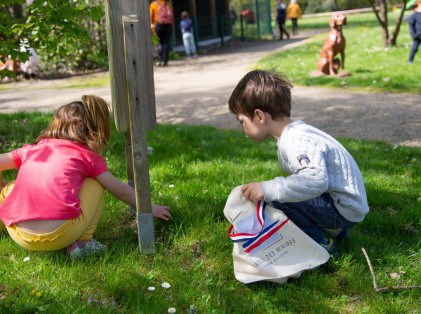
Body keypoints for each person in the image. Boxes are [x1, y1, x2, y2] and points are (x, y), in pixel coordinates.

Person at [0, 95, 171, 259]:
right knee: (96, 184)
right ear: (94, 131)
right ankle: (82, 244)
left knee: (11, 187)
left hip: (19, 233)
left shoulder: (32, 150)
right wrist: (151, 208)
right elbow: (122, 191)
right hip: (61, 234)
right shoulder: (88, 157)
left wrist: (2, 184)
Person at [228, 70, 369, 255]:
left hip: (343, 208)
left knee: (278, 199)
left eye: (242, 121)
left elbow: (315, 181)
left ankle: (321, 243)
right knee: (286, 191)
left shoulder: (295, 140)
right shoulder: (296, 133)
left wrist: (267, 189)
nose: (242, 128)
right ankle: (337, 231)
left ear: (259, 116)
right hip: (346, 204)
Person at [150, 0, 174, 67]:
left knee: (159, 43)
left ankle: (159, 60)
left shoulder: (153, 4)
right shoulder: (168, 4)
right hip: (168, 26)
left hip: (158, 26)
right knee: (166, 43)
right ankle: (165, 61)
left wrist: (152, 27)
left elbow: (150, 16)